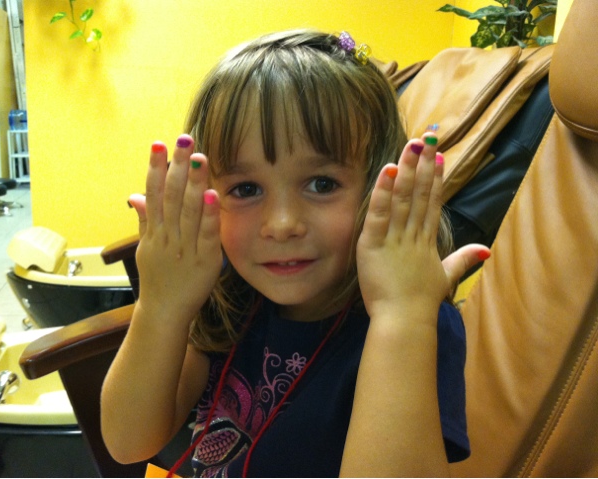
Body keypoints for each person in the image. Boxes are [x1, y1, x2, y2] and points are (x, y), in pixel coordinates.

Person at [100, 29, 489, 477]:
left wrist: (402, 317)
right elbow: (129, 443)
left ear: (379, 187)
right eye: (246, 189)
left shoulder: (417, 324)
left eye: (322, 184)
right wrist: (161, 306)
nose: (282, 224)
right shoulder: (229, 294)